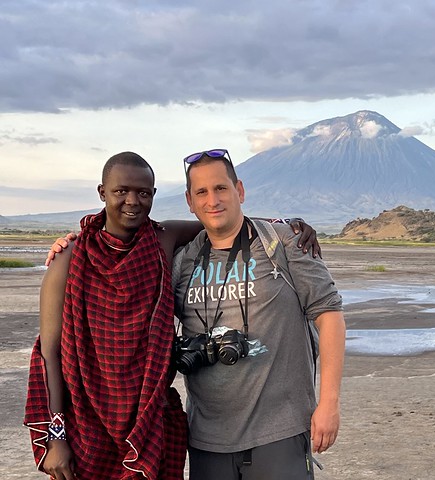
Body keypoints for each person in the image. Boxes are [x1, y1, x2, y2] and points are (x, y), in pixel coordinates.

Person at [24, 151, 320, 480]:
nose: (132, 201)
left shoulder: (161, 239)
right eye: (121, 191)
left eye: (144, 193)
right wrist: (55, 437)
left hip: (151, 421)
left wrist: (285, 224)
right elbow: (49, 353)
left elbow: (222, 220)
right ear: (102, 192)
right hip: (87, 425)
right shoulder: (70, 260)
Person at [172, 149, 345, 479]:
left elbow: (330, 315)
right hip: (207, 440)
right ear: (189, 201)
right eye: (202, 192)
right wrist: (75, 245)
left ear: (239, 190)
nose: (213, 200)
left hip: (280, 432)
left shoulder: (283, 242)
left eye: (221, 188)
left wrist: (329, 403)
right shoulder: (183, 262)